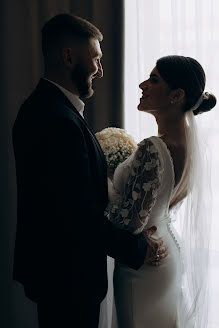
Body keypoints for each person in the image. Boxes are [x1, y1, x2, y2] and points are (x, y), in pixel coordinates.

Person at [12, 14, 168, 328]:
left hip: (58, 272)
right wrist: (138, 249)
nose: (100, 70)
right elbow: (77, 214)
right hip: (67, 277)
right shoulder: (57, 120)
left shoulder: (48, 109)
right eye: (95, 59)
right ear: (69, 57)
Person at [106, 55, 216, 327]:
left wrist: (102, 184)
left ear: (176, 95)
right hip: (164, 250)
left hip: (144, 264)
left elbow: (127, 223)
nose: (143, 84)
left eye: (154, 80)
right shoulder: (189, 149)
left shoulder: (152, 149)